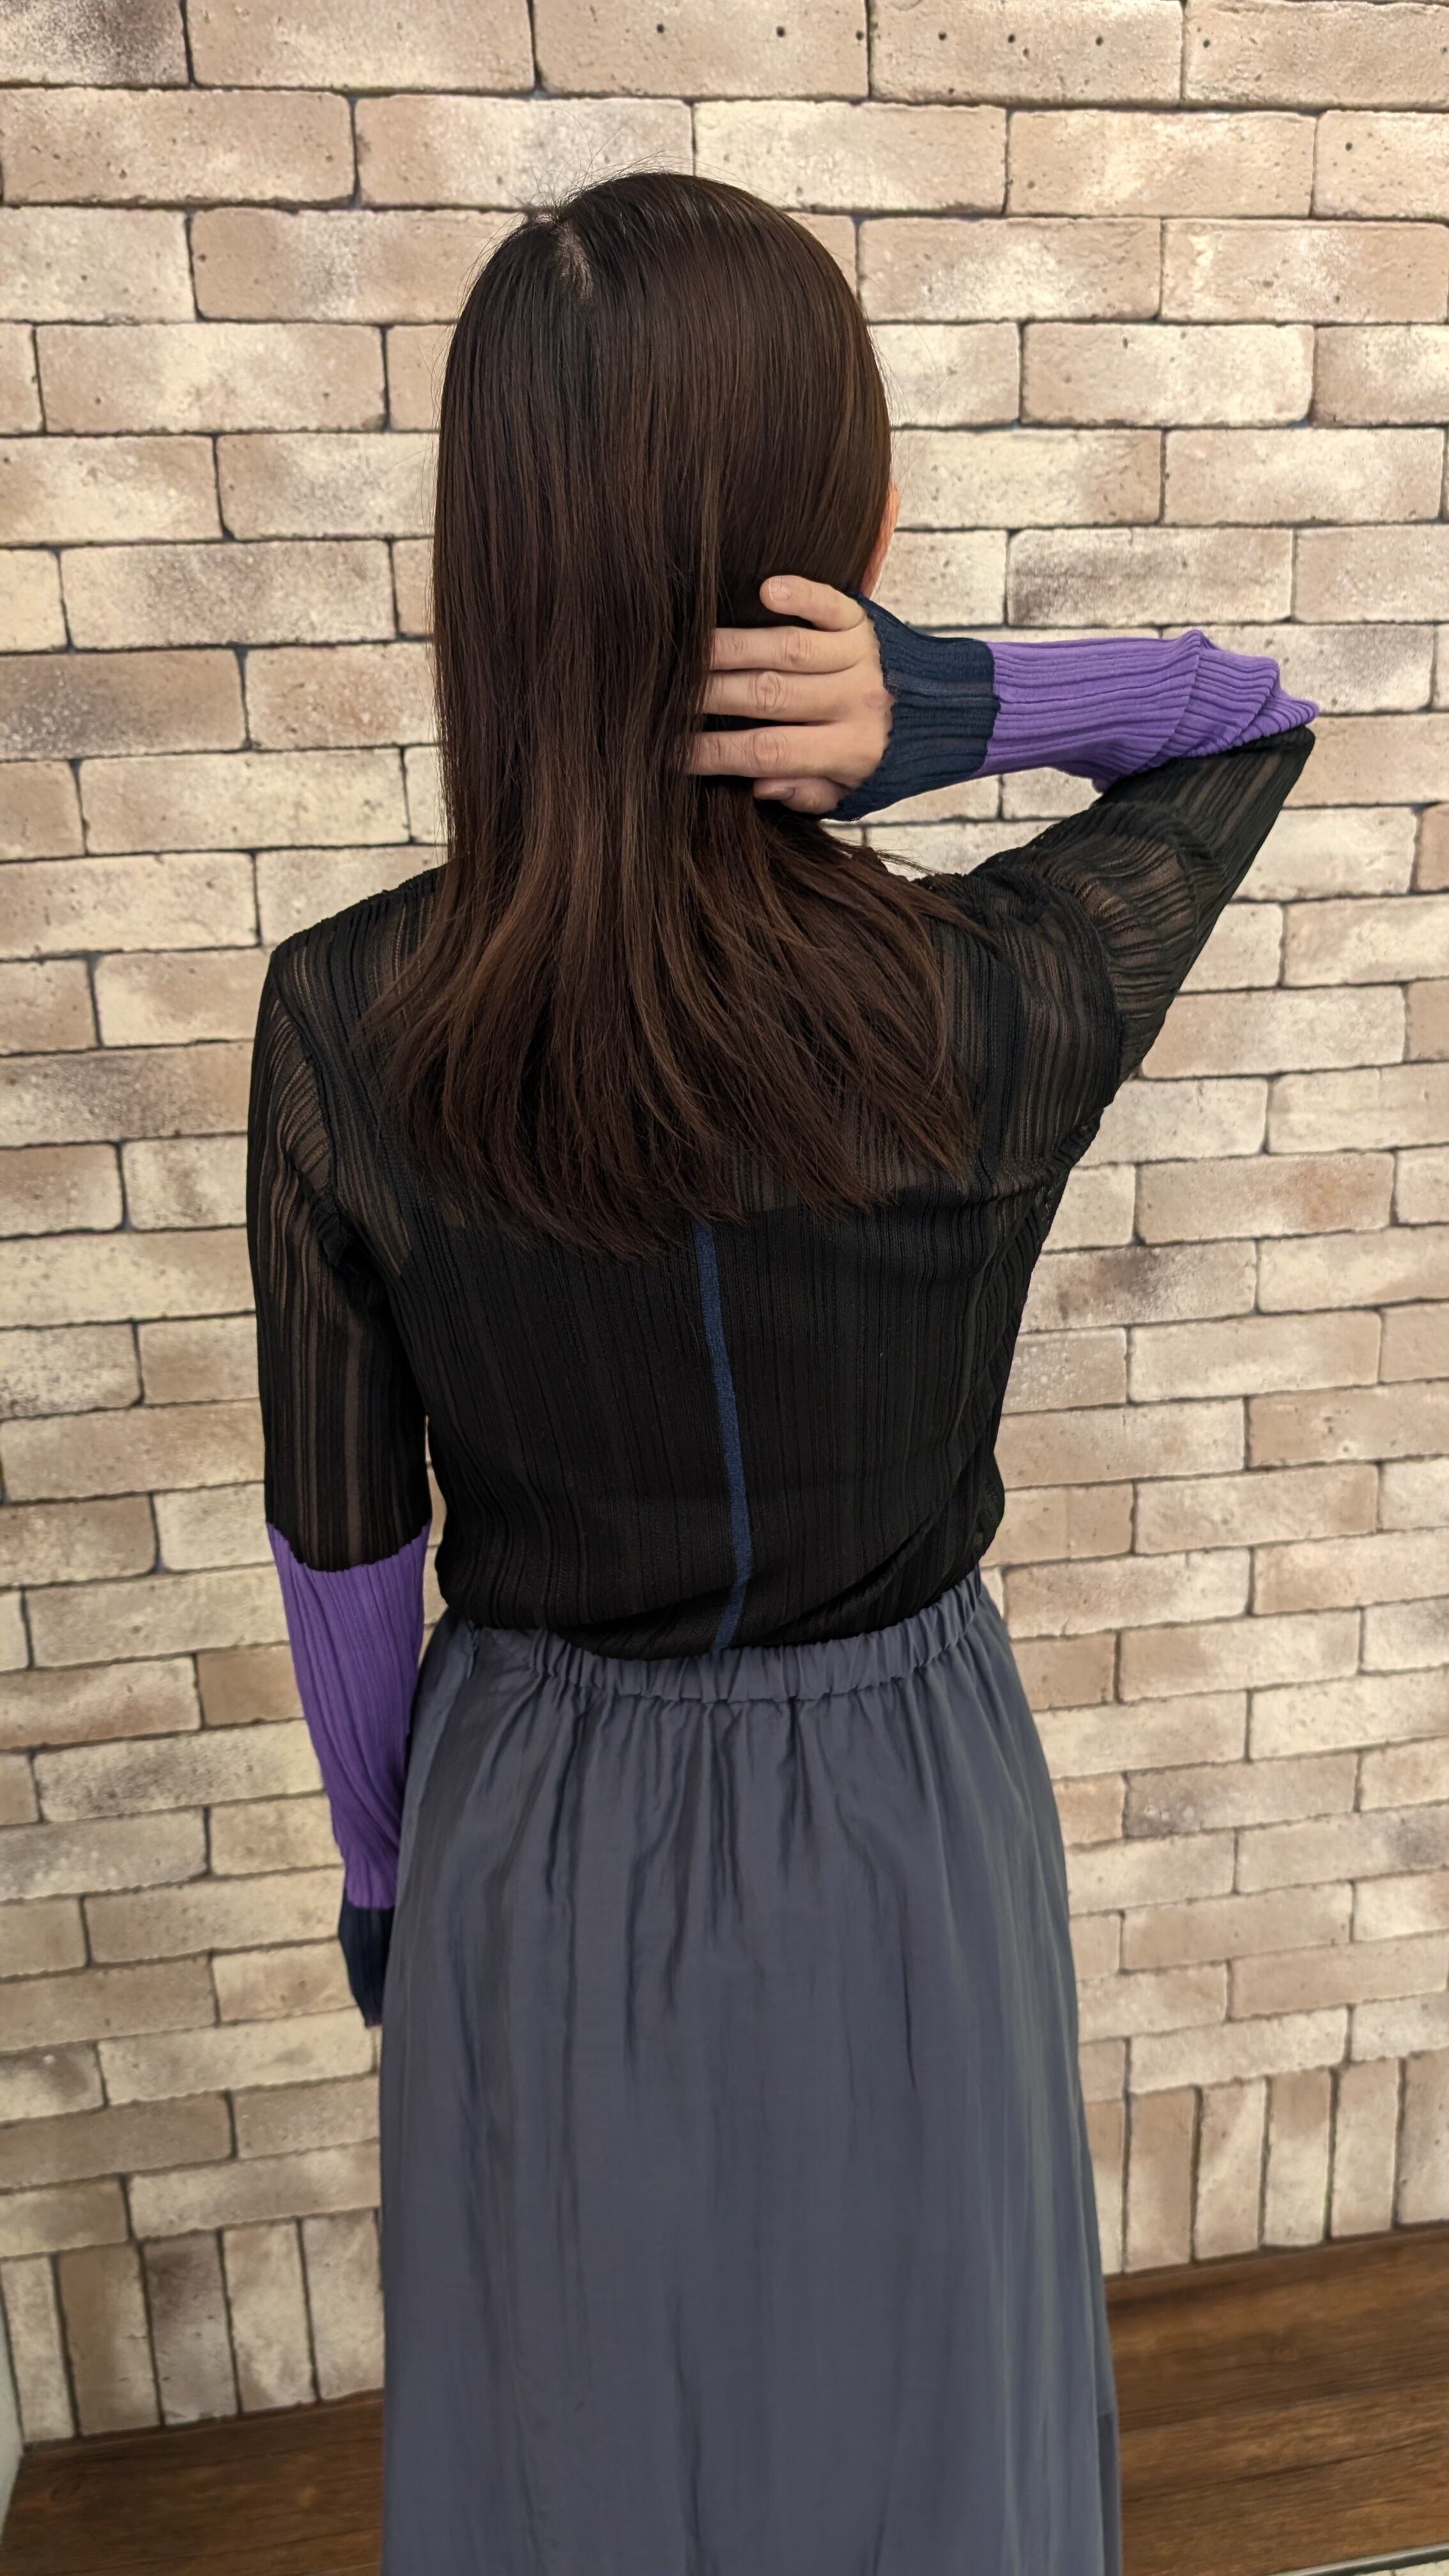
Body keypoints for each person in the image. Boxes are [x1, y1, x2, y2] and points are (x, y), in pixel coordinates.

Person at [245, 171, 1316, 2576]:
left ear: (487, 565)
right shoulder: (990, 1004)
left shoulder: (345, 1023)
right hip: (909, 1823)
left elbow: (344, 1538)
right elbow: (1245, 720)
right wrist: (949, 707)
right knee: (921, 2447)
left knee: (575, 2462)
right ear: (841, 535)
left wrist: (395, 1889)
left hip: (532, 1829)